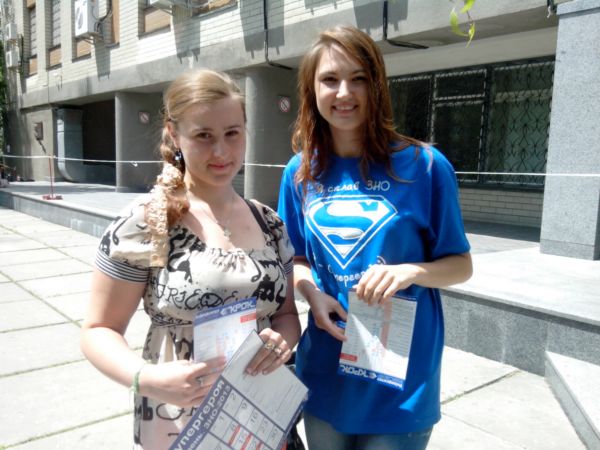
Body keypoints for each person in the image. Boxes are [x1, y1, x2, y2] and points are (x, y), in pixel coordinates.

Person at [80, 69, 301, 450]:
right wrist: (146, 378)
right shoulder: (147, 221)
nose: (222, 152)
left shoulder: (270, 223)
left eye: (232, 133)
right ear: (173, 134)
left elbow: (286, 315)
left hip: (262, 419)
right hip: (182, 423)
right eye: (204, 136)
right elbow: (98, 329)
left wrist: (282, 342)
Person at [277, 26, 473, 450]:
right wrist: (311, 293)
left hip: (400, 379)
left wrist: (410, 272)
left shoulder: (425, 165)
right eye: (330, 79)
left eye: (359, 78)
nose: (344, 92)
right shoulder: (299, 172)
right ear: (312, 89)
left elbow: (461, 265)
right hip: (326, 368)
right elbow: (296, 260)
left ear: (377, 85)